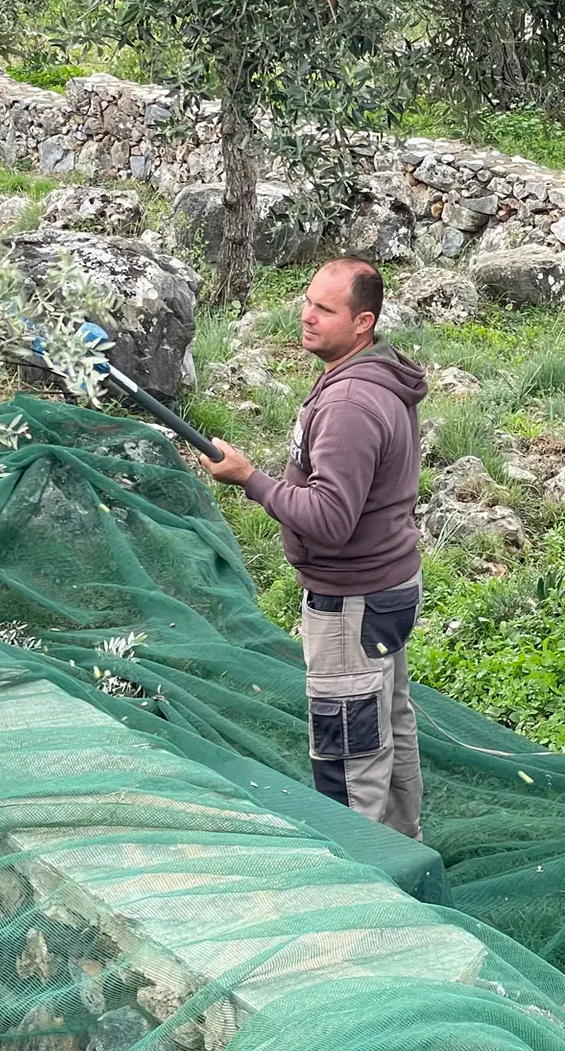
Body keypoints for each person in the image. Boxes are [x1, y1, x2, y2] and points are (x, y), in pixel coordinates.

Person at [200, 257, 430, 841]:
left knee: (351, 756)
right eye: (307, 302)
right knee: (389, 726)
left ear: (363, 323)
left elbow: (330, 519)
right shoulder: (376, 374)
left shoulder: (350, 404)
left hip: (352, 602)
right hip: (389, 586)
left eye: (325, 310)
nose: (306, 316)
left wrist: (250, 479)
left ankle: (363, 890)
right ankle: (406, 852)